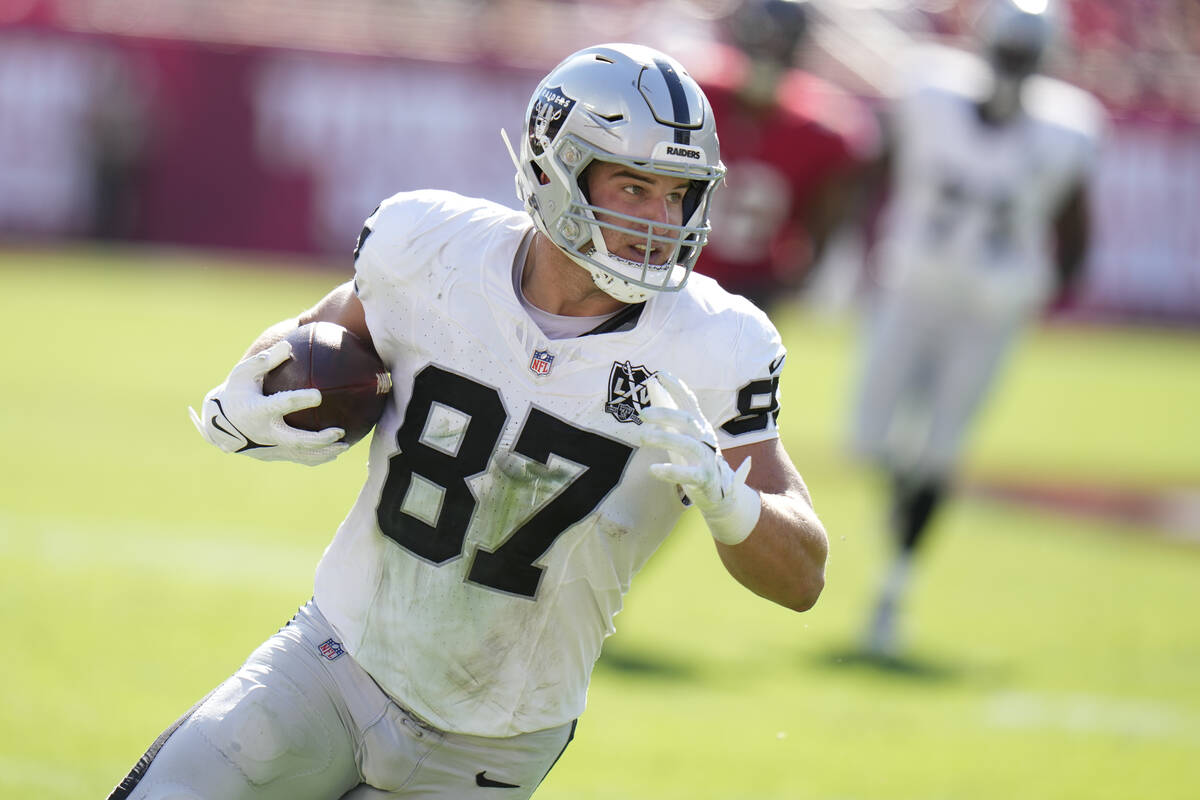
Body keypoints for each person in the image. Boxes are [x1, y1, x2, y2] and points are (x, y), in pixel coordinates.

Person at [108, 43, 828, 799]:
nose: (662, 219)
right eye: (635, 186)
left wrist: (732, 502)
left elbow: (804, 578)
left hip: (495, 742)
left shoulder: (719, 342)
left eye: (679, 193)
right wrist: (250, 395)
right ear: (556, 170)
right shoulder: (429, 246)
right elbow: (318, 340)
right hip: (334, 657)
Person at [852, 0, 1104, 659]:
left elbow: (1075, 228)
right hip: (909, 292)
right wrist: (858, 251)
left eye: (1025, 58)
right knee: (867, 439)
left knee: (941, 450)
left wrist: (1054, 297)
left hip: (990, 309)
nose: (1013, 70)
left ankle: (894, 585)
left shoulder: (1067, 129)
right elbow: (875, 169)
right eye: (1008, 53)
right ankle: (904, 506)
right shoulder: (928, 89)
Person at [689, 0, 880, 312]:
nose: (767, 56)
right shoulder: (698, 97)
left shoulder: (822, 132)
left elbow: (825, 217)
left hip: (752, 287)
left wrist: (800, 272)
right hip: (680, 266)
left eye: (778, 46)